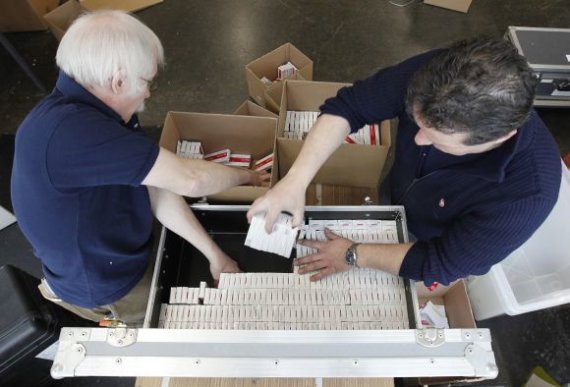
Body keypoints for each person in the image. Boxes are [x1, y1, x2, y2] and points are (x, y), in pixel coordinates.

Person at [11, 10, 268, 326]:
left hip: (122, 238)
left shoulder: (96, 108)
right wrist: (249, 177)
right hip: (107, 281)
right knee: (177, 325)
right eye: (147, 81)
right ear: (117, 80)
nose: (148, 92)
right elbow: (191, 179)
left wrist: (214, 255)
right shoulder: (75, 134)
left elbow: (158, 187)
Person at [247, 37, 563, 286]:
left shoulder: (527, 195)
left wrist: (353, 254)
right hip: (399, 196)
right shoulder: (441, 75)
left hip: (429, 241)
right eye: (416, 122)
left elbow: (439, 263)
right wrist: (294, 181)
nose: (417, 141)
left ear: (498, 138)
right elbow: (350, 107)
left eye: (437, 139)